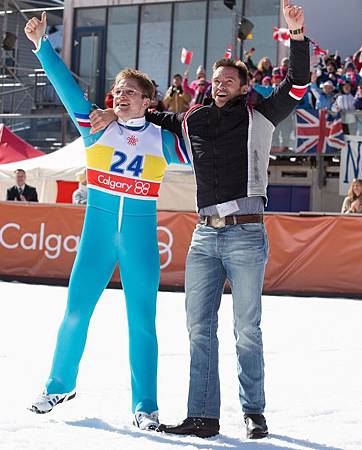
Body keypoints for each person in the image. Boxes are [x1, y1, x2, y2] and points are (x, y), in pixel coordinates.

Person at [89, 0, 308, 440]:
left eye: (229, 80)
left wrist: (296, 35)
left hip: (246, 233)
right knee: (198, 329)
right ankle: (203, 416)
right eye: (216, 79)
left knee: (246, 330)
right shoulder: (193, 118)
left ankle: (254, 412)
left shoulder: (261, 115)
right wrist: (115, 111)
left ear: (244, 87)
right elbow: (147, 114)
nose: (220, 85)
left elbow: (298, 83)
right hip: (204, 237)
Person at [24, 12, 190, 431]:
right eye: (117, 90)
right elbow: (66, 87)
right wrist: (42, 46)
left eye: (130, 92)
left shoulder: (163, 140)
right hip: (96, 238)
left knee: (142, 323)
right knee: (75, 312)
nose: (120, 96)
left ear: (147, 101)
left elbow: (201, 142)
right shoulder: (95, 125)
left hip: (139, 240)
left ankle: (145, 406)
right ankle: (59, 385)